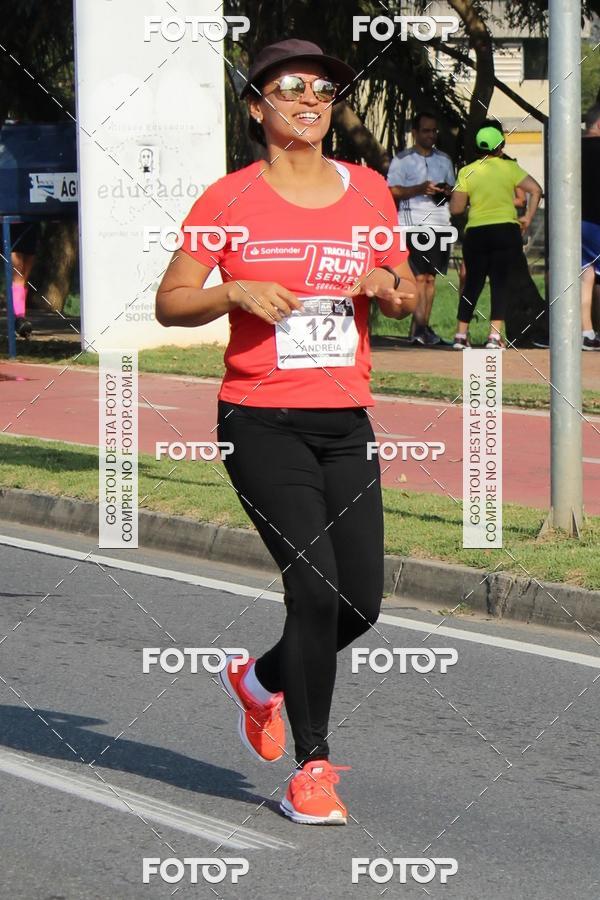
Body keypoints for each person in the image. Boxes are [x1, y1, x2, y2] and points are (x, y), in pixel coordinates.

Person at [155, 39, 417, 826]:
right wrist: (233, 289)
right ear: (256, 107)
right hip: (259, 420)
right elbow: (172, 301)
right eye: (291, 87)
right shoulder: (227, 199)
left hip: (345, 421)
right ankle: (311, 770)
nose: (311, 98)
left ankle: (259, 680)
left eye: (324, 88)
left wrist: (389, 287)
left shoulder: (370, 190)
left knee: (360, 604)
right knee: (313, 590)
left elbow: (408, 297)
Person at [449, 122, 543, 349]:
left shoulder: (466, 171)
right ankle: (494, 336)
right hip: (505, 231)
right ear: (500, 147)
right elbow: (535, 189)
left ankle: (461, 335)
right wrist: (527, 218)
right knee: (500, 283)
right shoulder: (509, 168)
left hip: (477, 232)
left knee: (472, 283)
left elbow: (456, 208)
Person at [386, 111, 456, 346]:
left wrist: (445, 192)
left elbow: (453, 190)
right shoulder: (403, 160)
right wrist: (419, 189)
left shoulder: (444, 160)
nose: (431, 135)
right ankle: (418, 328)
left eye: (434, 130)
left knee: (430, 279)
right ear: (415, 133)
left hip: (440, 223)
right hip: (412, 224)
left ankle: (422, 328)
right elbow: (391, 190)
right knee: (416, 277)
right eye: (426, 131)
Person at [580, 103, 600, 350]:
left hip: (574, 222)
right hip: (596, 222)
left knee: (586, 274)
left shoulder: (569, 148)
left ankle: (586, 331)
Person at [9, 222, 39, 338]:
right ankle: (19, 318)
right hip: (12, 225)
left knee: (24, 278)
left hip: (29, 225)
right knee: (18, 275)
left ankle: (20, 320)